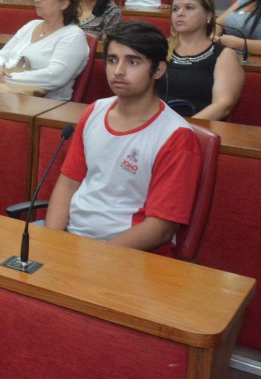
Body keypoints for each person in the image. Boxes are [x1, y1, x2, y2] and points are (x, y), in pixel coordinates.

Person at [44, 21, 202, 254]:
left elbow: (161, 228)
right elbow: (68, 184)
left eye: (133, 61)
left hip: (126, 254)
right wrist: (54, 242)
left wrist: (94, 257)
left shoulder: (176, 136)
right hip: (73, 240)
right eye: (112, 60)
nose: (119, 70)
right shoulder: (95, 110)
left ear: (158, 70)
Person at [0, 0, 89, 100]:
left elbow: (55, 77)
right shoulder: (32, 25)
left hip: (43, 106)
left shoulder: (73, 36)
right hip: (5, 94)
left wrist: (3, 78)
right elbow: (2, 54)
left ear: (64, 3)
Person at [161, 0, 244, 120]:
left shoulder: (224, 55)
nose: (180, 13)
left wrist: (183, 129)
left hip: (198, 129)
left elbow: (223, 105)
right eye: (175, 9)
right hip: (155, 127)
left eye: (189, 8)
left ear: (208, 15)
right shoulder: (159, 48)